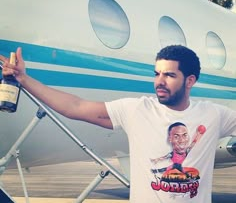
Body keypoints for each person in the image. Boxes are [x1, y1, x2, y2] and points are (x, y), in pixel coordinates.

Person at [1, 45, 236, 202]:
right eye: (157, 74)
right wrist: (24, 79)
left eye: (170, 75)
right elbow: (75, 107)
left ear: (190, 80)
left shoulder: (214, 115)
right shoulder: (136, 110)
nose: (159, 82)